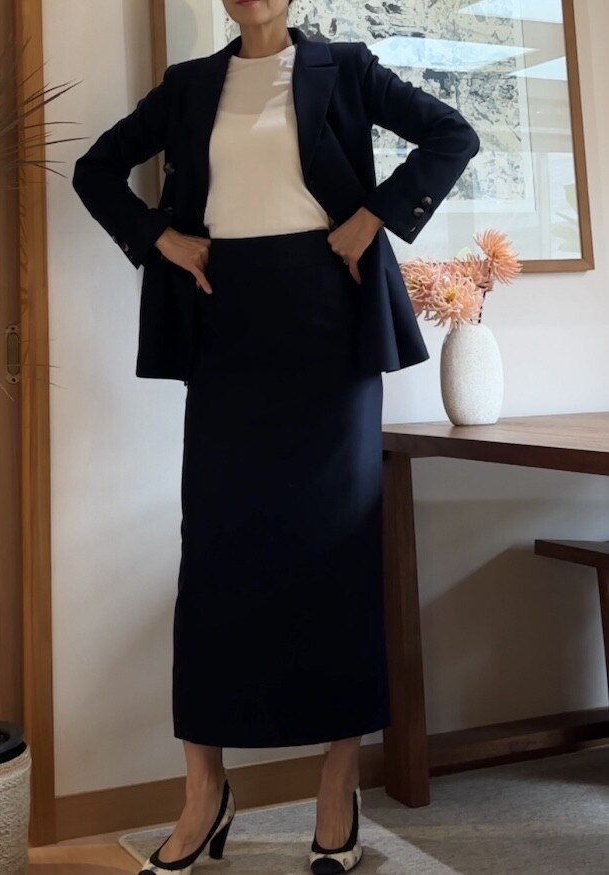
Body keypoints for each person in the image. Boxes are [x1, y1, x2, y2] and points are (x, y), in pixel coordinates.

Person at [73, 1, 480, 872]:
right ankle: (204, 790)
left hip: (329, 324)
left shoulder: (346, 68)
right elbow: (95, 170)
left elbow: (454, 134)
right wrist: (159, 237)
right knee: (216, 556)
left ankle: (338, 783)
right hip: (228, 326)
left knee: (336, 552)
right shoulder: (190, 86)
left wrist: (375, 215)